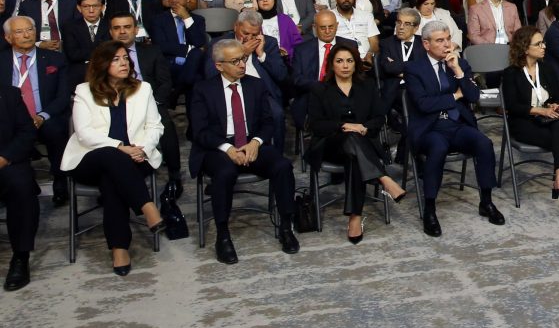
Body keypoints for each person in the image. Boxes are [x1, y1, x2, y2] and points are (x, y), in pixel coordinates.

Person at [189, 38, 301, 264]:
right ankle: (223, 236)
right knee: (225, 173)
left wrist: (256, 142)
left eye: (243, 59)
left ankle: (286, 227)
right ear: (219, 65)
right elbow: (199, 131)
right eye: (235, 61)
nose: (242, 65)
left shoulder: (255, 85)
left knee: (282, 166)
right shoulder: (203, 89)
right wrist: (228, 148)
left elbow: (268, 122)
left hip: (251, 144)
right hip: (218, 147)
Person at [61, 41, 168, 274]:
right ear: (102, 64)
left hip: (136, 159)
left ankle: (119, 248)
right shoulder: (84, 91)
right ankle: (147, 206)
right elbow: (84, 133)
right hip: (90, 159)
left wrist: (143, 149)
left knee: (111, 181)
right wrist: (121, 147)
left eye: (126, 58)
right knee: (111, 155)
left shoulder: (143, 89)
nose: (124, 63)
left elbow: (155, 126)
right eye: (116, 59)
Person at [403, 17, 505, 236]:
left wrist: (458, 70)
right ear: (426, 44)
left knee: (484, 143)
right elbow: (423, 104)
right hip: (430, 128)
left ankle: (486, 201)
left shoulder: (460, 64)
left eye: (448, 39)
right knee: (437, 148)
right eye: (440, 40)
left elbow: (474, 96)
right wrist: (455, 96)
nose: (446, 44)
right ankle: (430, 209)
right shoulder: (413, 69)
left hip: (457, 124)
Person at [305, 43, 405, 243]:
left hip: (362, 144)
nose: (345, 66)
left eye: (349, 61)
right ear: (331, 64)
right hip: (330, 145)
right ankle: (383, 178)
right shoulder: (320, 89)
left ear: (355, 63)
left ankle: (355, 218)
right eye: (340, 61)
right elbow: (315, 125)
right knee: (351, 137)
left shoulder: (367, 86)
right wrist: (343, 125)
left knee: (354, 156)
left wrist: (365, 127)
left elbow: (379, 117)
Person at [501, 26, 559, 216]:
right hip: (523, 123)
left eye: (543, 43)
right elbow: (512, 106)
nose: (544, 46)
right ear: (525, 48)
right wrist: (539, 110)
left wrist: (555, 105)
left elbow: (557, 97)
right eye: (538, 44)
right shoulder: (511, 73)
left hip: (547, 120)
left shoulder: (546, 68)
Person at [5, 15, 71, 205]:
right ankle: (20, 183)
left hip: (45, 116)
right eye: (19, 32)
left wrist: (42, 116)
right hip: (12, 120)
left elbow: (63, 96)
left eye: (30, 30)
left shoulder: (55, 59)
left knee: (56, 130)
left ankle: (60, 181)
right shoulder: (1, 61)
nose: (27, 35)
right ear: (8, 37)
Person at [0, 81, 37, 291]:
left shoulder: (10, 94)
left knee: (22, 185)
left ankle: (20, 258)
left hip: (6, 161)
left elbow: (26, 132)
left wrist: (5, 158)